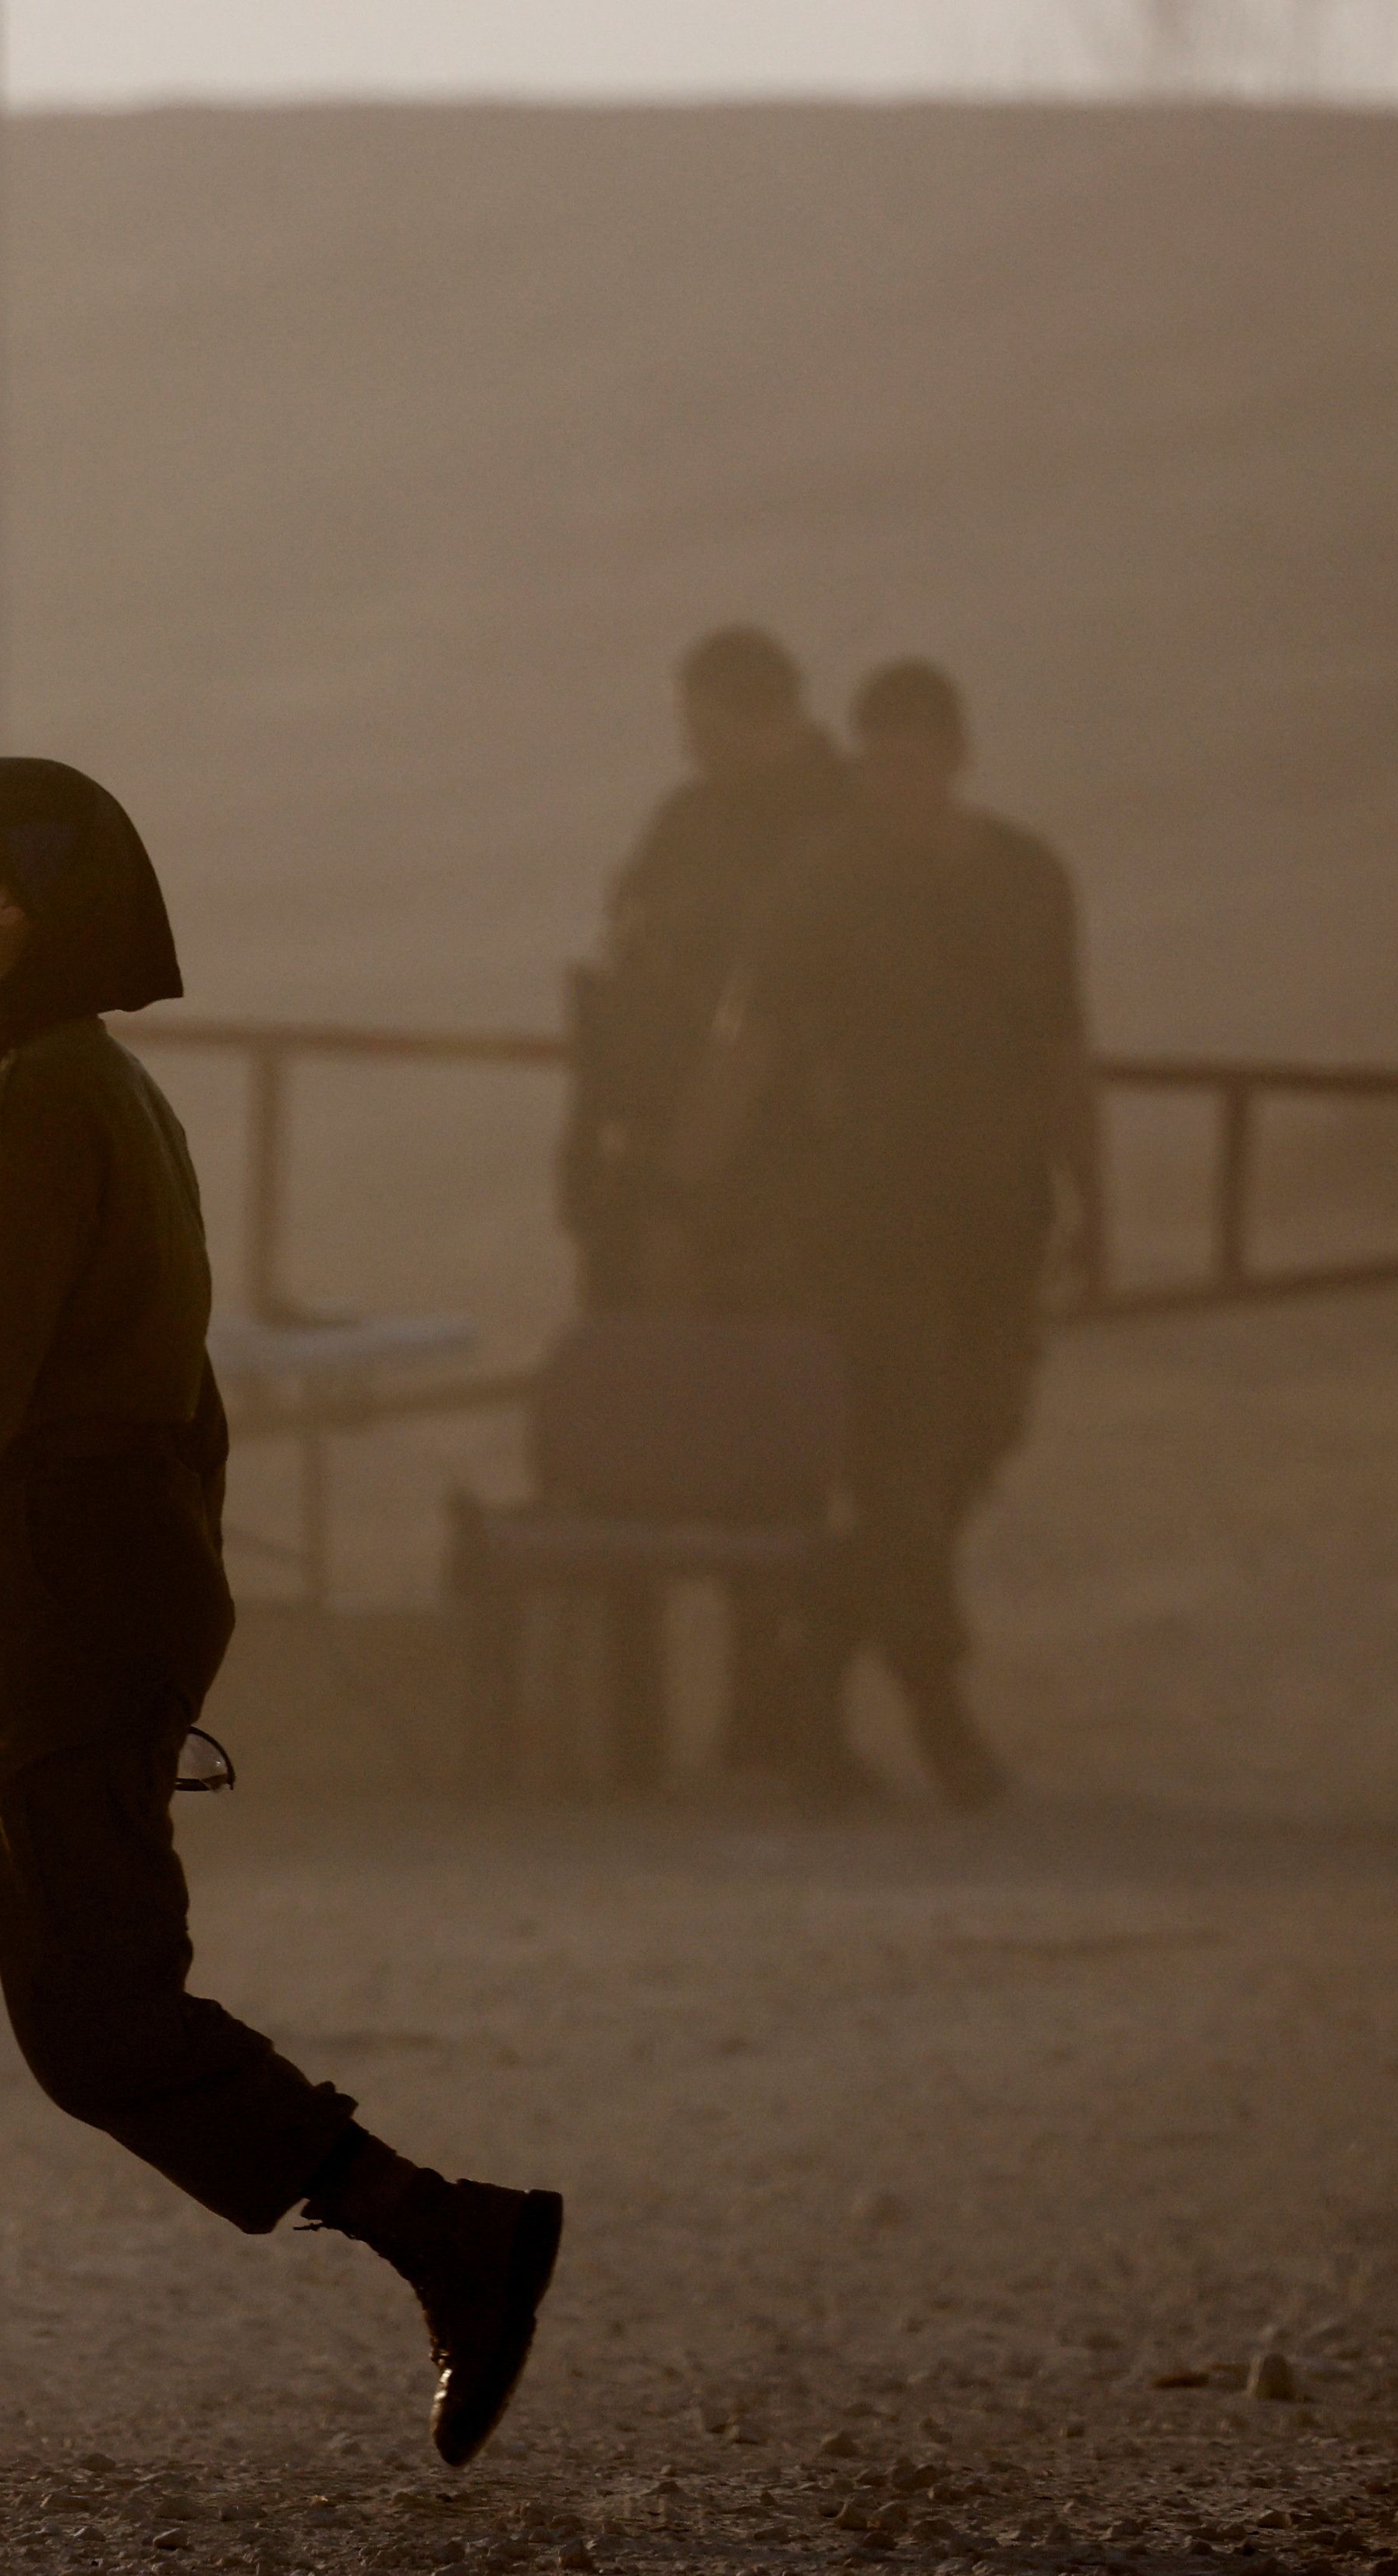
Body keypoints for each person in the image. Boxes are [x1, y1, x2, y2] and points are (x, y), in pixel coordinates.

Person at [0, 758, 565, 2496]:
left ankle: (444, 2231)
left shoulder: (52, 1103)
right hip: (42, 1574)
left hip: (66, 1581)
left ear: (21, 902)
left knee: (90, 2014)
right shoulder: (48, 1085)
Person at [675, 661, 1106, 1811]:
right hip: (871, 1225)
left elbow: (1064, 1048)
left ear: (956, 756)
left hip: (1001, 1221)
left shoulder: (1026, 879)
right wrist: (687, 1183)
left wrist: (1094, 1199)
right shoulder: (823, 880)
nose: (886, 780)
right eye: (872, 759)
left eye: (908, 758)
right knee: (905, 1466)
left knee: (978, 1441)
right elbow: (749, 1035)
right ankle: (940, 1712)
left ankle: (816, 1667)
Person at [557, 625, 851, 1784]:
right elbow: (630, 981)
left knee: (772, 1451)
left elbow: (783, 1033)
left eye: (703, 722)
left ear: (749, 713)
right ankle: (634, 1726)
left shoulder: (830, 836)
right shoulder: (692, 825)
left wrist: (694, 1182)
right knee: (632, 1442)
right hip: (652, 1184)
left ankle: (770, 1710)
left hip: (780, 1196)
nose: (691, 745)